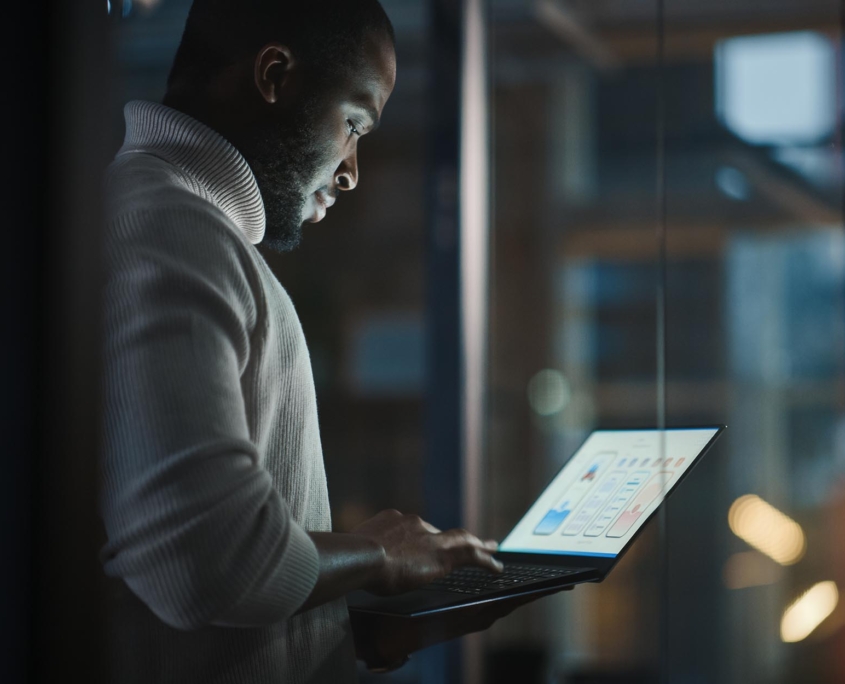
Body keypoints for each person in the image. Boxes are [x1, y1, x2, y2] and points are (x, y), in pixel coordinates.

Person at [100, 2, 536, 682]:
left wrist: (342, 621)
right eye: (353, 123)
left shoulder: (184, 229)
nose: (351, 169)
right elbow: (204, 562)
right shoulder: (171, 231)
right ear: (273, 75)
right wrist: (375, 556)